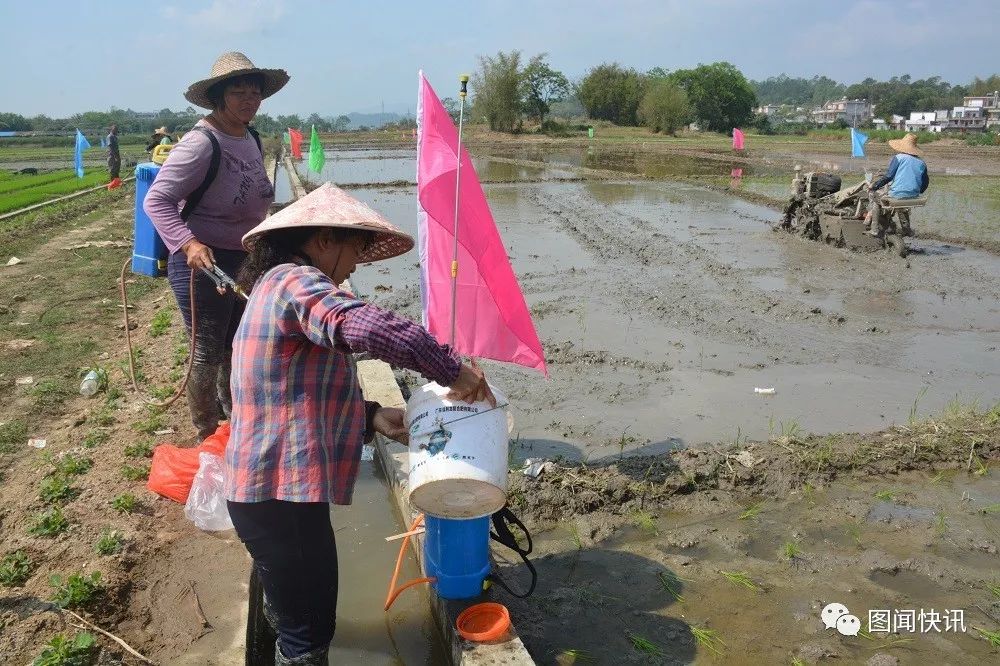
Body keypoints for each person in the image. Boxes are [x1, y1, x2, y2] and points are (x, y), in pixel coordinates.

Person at [225, 183, 494, 665]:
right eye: (355, 249)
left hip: (263, 493)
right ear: (324, 240)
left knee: (289, 612)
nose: (354, 267)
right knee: (308, 635)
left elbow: (290, 387)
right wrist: (455, 370)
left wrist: (371, 415)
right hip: (280, 497)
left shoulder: (271, 285)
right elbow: (365, 327)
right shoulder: (298, 283)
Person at [144, 52, 289, 439]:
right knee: (207, 350)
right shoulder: (202, 143)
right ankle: (206, 433)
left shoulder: (251, 137)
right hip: (201, 261)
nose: (248, 99)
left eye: (254, 92)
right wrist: (188, 243)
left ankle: (237, 423)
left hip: (243, 257)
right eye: (238, 91)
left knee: (237, 344)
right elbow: (155, 200)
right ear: (220, 97)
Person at [867, 133, 928, 237]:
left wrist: (875, 186)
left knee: (875, 197)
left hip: (897, 194)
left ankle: (874, 229)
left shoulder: (899, 158)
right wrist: (917, 191)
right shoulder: (921, 163)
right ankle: (906, 229)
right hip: (914, 195)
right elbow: (925, 182)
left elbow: (889, 176)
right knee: (902, 204)